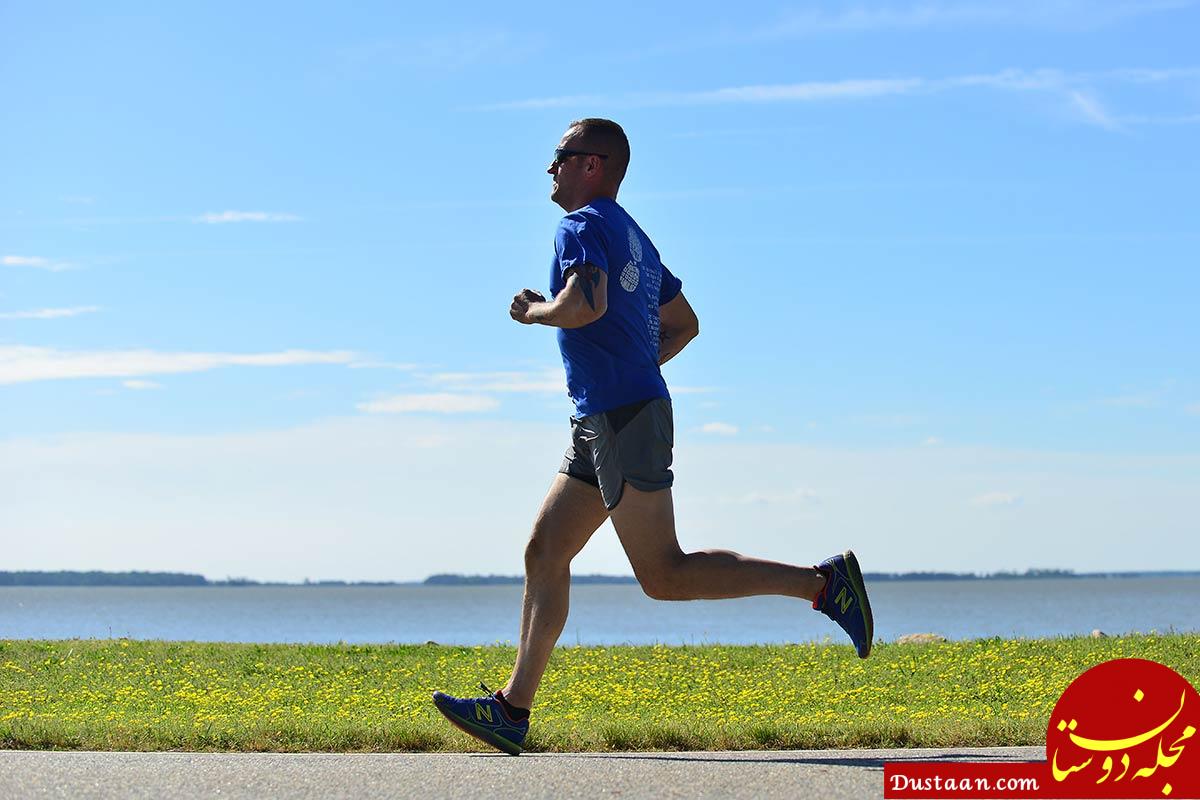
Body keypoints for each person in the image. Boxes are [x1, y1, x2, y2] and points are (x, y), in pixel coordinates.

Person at [433, 118, 873, 755]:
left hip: (621, 415)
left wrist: (534, 311)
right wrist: (631, 363)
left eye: (560, 157)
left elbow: (584, 303)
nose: (550, 169)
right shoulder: (635, 236)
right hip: (603, 416)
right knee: (544, 552)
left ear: (594, 165)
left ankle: (822, 584)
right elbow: (683, 324)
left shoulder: (581, 226)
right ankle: (511, 711)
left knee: (663, 574)